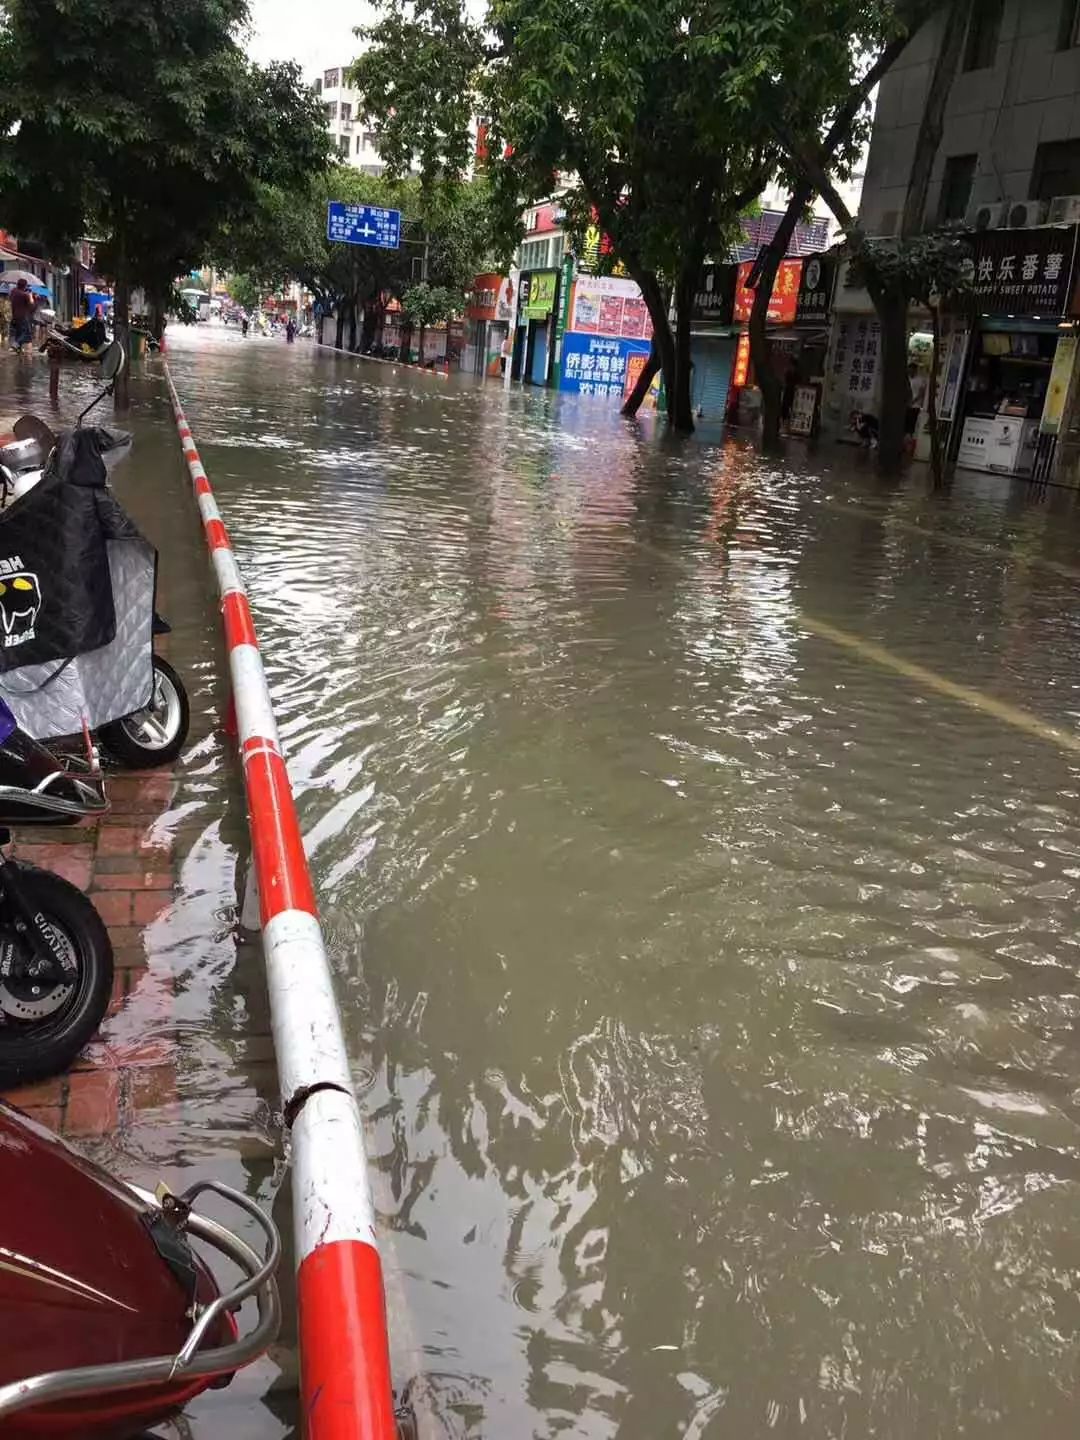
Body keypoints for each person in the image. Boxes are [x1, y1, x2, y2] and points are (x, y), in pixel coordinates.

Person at [9, 278, 37, 353]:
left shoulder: (13, 292)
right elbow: (32, 307)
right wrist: (31, 298)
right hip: (23, 317)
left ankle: (18, 350)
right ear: (25, 286)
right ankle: (15, 345)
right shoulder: (25, 295)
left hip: (15, 316)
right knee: (25, 333)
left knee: (19, 333)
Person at [905, 362, 927, 437]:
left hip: (915, 406)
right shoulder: (907, 379)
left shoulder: (921, 380)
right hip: (906, 405)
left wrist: (913, 401)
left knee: (911, 425)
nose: (910, 372)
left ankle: (909, 439)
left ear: (915, 370)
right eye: (909, 370)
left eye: (911, 370)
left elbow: (921, 393)